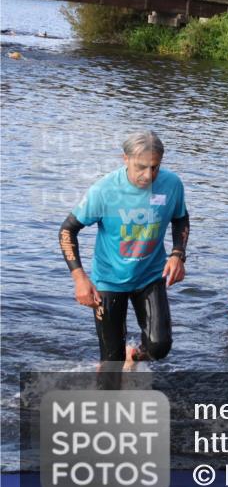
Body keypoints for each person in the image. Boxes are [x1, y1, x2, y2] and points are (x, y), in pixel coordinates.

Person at [59, 130, 189, 373]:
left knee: (159, 346)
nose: (148, 175)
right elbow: (67, 230)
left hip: (150, 276)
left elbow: (180, 218)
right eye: (141, 167)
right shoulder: (104, 190)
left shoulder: (172, 184)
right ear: (125, 159)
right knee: (111, 361)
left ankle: (135, 356)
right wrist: (79, 278)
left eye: (155, 167)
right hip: (108, 281)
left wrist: (177, 254)